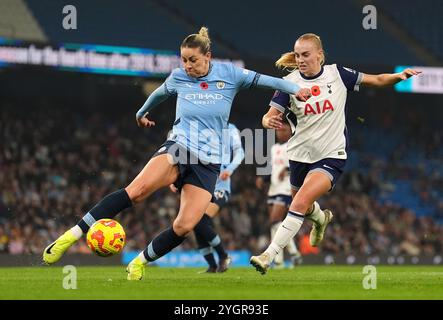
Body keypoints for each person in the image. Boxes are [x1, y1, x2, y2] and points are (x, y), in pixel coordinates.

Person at [42, 26, 311, 280]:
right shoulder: (179, 77)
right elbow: (159, 94)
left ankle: (139, 263)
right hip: (180, 148)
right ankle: (70, 235)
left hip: (209, 163)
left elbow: (268, 81)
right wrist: (141, 112)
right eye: (183, 60)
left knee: (185, 225)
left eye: (192, 60)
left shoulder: (230, 74)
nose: (187, 66)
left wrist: (297, 90)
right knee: (136, 191)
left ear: (208, 56)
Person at [250, 33, 421, 274]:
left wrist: (398, 77)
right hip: (299, 155)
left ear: (320, 54)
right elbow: (267, 117)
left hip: (331, 154)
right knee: (305, 205)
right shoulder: (289, 83)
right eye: (297, 55)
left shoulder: (338, 74)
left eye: (306, 54)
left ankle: (269, 255)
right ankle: (321, 219)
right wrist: (270, 122)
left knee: (298, 202)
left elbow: (377, 79)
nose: (300, 59)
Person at [171, 122, 244, 273]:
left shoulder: (230, 129)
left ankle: (223, 256)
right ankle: (212, 265)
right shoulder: (196, 128)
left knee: (200, 220)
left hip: (220, 187)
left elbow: (240, 153)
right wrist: (176, 179)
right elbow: (183, 154)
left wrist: (229, 169)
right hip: (199, 186)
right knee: (194, 222)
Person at [256, 120, 302, 269]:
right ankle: (284, 259)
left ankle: (287, 256)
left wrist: (287, 170)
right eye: (278, 131)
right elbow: (272, 167)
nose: (279, 133)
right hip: (274, 188)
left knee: (275, 219)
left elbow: (300, 165)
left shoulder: (293, 145)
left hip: (287, 187)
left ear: (290, 132)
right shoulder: (274, 148)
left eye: (283, 130)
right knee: (275, 223)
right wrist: (262, 178)